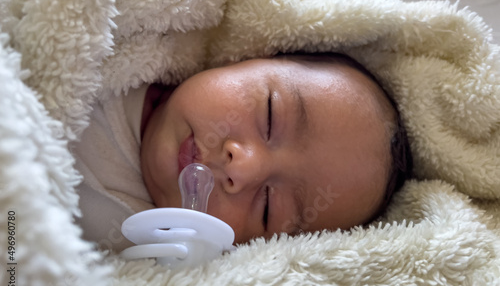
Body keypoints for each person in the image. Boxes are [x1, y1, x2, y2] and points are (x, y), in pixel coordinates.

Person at [73, 53, 412, 250]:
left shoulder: (140, 250)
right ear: (245, 57)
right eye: (268, 116)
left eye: (267, 210)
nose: (243, 168)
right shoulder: (108, 49)